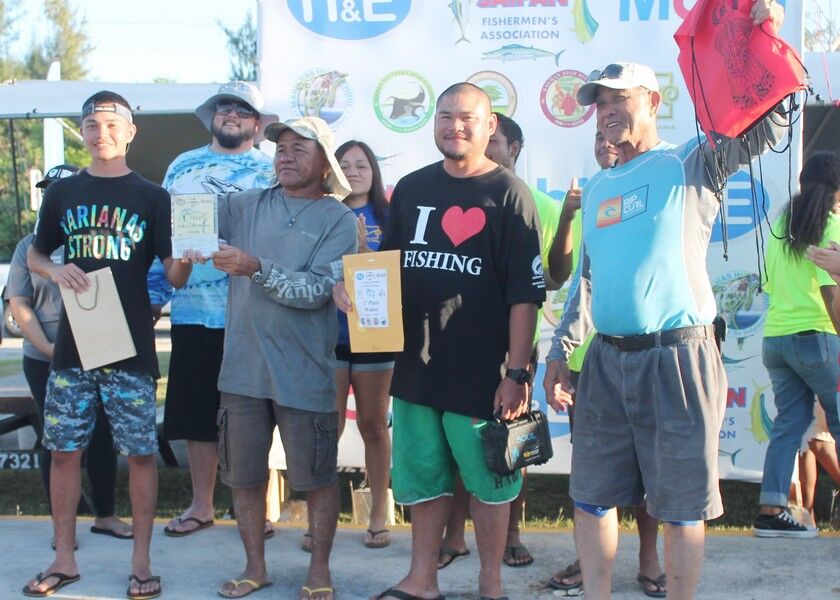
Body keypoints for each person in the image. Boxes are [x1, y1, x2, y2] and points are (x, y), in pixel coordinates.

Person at [542, 3, 788, 598]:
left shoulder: (691, 162)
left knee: (680, 506)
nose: (605, 112)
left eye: (618, 99)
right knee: (591, 496)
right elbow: (587, 283)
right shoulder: (597, 184)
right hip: (604, 362)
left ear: (653, 102)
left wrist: (764, 34)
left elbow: (769, 124)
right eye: (598, 103)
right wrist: (559, 352)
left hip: (677, 358)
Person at [335, 82, 545, 600]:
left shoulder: (509, 194)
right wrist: (355, 288)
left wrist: (517, 374)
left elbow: (526, 295)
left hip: (483, 372)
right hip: (415, 369)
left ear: (490, 125)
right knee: (422, 479)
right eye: (445, 115)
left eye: (468, 117)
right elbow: (392, 268)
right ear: (433, 123)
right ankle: (421, 578)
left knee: (492, 482)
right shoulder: (410, 188)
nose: (455, 125)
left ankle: (490, 583)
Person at [23, 91, 191, 600]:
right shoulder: (63, 194)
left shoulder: (153, 197)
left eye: (112, 124)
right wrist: (55, 267)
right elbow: (34, 255)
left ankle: (141, 562)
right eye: (92, 125)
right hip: (75, 346)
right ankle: (64, 558)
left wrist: (189, 253)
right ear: (82, 131)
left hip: (130, 344)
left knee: (140, 454)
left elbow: (175, 276)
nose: (102, 133)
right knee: (64, 452)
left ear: (130, 131)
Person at [183, 116, 356, 600]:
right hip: (241, 370)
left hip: (305, 372)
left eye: (301, 148)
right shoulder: (242, 205)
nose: (286, 154)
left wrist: (255, 268)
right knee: (243, 476)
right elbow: (186, 220)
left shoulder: (340, 220)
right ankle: (254, 566)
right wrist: (184, 236)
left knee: (317, 478)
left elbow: (317, 290)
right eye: (281, 146)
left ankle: (319, 571)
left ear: (325, 162)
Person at [437, 112, 576, 570]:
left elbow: (556, 276)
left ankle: (512, 534)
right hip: (450, 341)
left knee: (511, 441)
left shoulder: (539, 203)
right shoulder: (445, 195)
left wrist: (571, 217)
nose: (484, 146)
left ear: (514, 149)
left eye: (493, 141)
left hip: (513, 350)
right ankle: (453, 535)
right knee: (454, 442)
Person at [548, 130, 665, 598]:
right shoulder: (595, 197)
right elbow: (581, 282)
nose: (605, 142)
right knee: (597, 477)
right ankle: (592, 561)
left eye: (614, 134)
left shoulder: (662, 191)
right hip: (592, 360)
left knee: (653, 471)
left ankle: (650, 557)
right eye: (597, 137)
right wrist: (559, 350)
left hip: (656, 356)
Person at [160, 81, 276, 538]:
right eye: (224, 107)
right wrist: (157, 292)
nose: (232, 115)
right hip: (192, 309)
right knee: (196, 413)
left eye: (243, 110)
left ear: (256, 123)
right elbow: (161, 235)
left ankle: (259, 511)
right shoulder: (182, 165)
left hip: (253, 311)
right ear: (211, 116)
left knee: (256, 415)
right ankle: (202, 505)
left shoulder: (270, 170)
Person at [7, 164, 133, 546]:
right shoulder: (30, 246)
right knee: (57, 439)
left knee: (102, 435)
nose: (54, 195)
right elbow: (19, 302)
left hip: (100, 352)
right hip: (45, 356)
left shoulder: (101, 239)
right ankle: (63, 527)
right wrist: (47, 348)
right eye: (49, 189)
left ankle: (106, 515)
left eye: (63, 188)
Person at [753, 151, 840, 538]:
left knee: (788, 424)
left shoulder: (782, 227)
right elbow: (830, 294)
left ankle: (771, 511)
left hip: (776, 339)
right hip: (819, 336)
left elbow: (771, 286)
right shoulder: (832, 225)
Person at [331, 140, 394, 551]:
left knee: (373, 425)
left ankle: (378, 515)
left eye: (361, 164)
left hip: (374, 334)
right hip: (329, 335)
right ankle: (321, 519)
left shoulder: (391, 215)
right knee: (327, 428)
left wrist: (363, 249)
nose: (353, 171)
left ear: (374, 171)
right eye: (345, 164)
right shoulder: (320, 211)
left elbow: (396, 274)